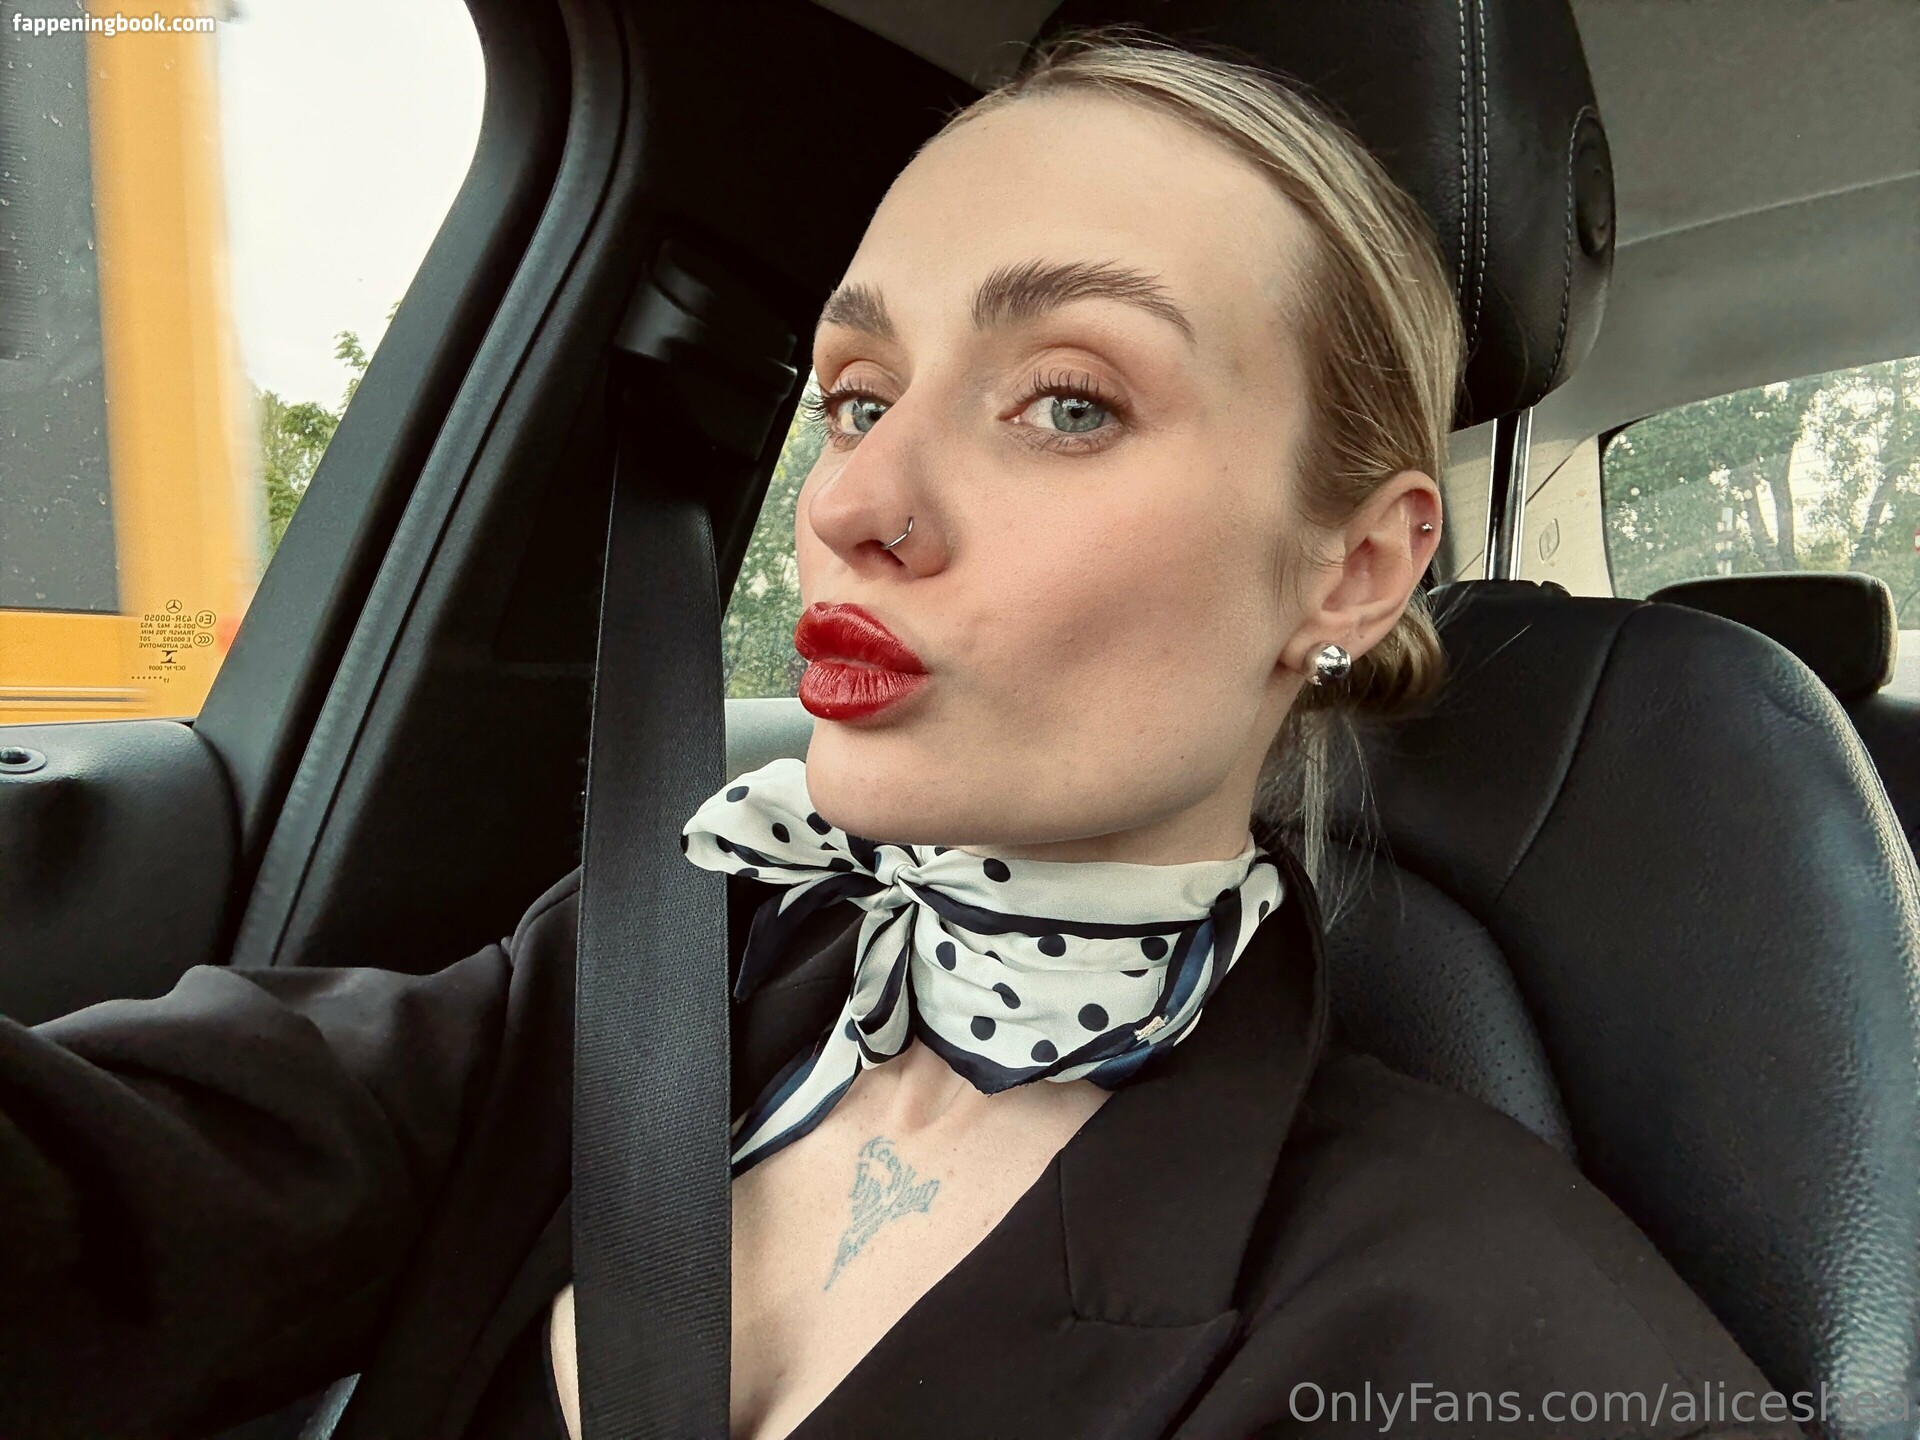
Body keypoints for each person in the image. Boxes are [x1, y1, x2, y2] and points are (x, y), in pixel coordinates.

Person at [1, 30, 1802, 1440]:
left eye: (1069, 404)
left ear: (1353, 566)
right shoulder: (648, 976)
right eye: (859, 396)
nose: (853, 502)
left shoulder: (1470, 1329)